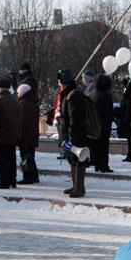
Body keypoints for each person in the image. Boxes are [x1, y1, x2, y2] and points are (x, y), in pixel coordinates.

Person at [57, 68, 90, 198]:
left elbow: (74, 117)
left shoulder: (73, 94)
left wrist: (71, 135)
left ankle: (79, 188)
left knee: (78, 160)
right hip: (72, 132)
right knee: (72, 160)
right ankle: (75, 185)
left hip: (76, 133)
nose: (58, 83)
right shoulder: (69, 93)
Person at [0, 79, 23, 189]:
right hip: (13, 135)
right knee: (11, 158)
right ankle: (12, 180)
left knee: (1, 159)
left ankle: (3, 181)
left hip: (0, 134)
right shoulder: (16, 102)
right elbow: (21, 120)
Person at [16, 63, 40, 184]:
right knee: (30, 155)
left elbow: (22, 122)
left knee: (26, 156)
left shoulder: (23, 105)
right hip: (32, 134)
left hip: (25, 134)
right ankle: (34, 176)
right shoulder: (33, 102)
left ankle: (28, 176)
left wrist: (18, 134)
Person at [90, 74, 115, 173]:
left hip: (95, 124)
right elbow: (109, 111)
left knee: (96, 145)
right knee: (104, 146)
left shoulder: (92, 94)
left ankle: (97, 164)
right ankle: (104, 165)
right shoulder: (107, 95)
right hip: (104, 124)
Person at [120, 76, 131, 162]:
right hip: (129, 117)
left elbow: (126, 100)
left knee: (130, 139)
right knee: (130, 139)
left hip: (129, 117)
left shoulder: (130, 93)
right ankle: (130, 154)